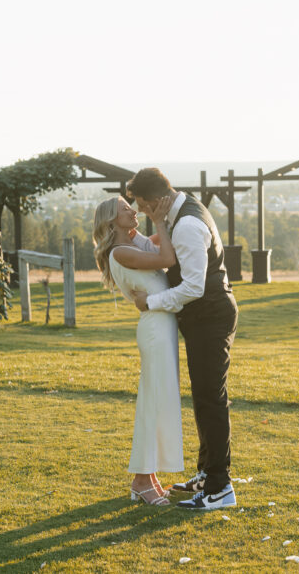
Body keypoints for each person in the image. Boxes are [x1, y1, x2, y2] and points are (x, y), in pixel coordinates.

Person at [126, 167, 239, 510]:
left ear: (157, 200)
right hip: (202, 318)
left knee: (211, 401)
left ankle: (220, 488)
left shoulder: (188, 225)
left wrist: (151, 303)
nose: (143, 213)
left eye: (144, 207)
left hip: (210, 317)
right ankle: (206, 473)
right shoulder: (182, 208)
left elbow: (193, 286)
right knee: (204, 398)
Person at [92, 194, 182, 506]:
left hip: (163, 328)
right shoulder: (120, 253)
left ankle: (150, 476)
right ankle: (141, 479)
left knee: (160, 400)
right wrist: (156, 218)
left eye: (131, 205)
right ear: (110, 220)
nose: (132, 210)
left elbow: (168, 238)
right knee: (153, 402)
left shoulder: (131, 242)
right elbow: (167, 258)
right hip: (155, 330)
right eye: (125, 209)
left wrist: (157, 219)